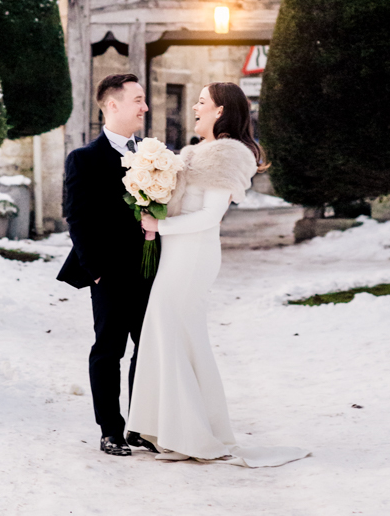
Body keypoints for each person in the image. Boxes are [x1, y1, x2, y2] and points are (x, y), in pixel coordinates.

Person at [126, 82, 309, 467]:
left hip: (193, 255)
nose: (194, 106)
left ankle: (188, 432)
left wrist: (160, 228)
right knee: (178, 336)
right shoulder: (195, 153)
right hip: (177, 252)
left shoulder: (228, 154)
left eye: (202, 101)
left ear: (221, 110)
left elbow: (210, 217)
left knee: (174, 331)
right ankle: (179, 428)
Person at [57, 73, 156, 457]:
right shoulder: (83, 159)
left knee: (149, 349)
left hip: (151, 268)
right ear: (112, 105)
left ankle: (140, 425)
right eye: (138, 99)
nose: (144, 107)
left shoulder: (152, 153)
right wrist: (96, 269)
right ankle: (110, 429)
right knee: (109, 349)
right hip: (109, 273)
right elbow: (76, 219)